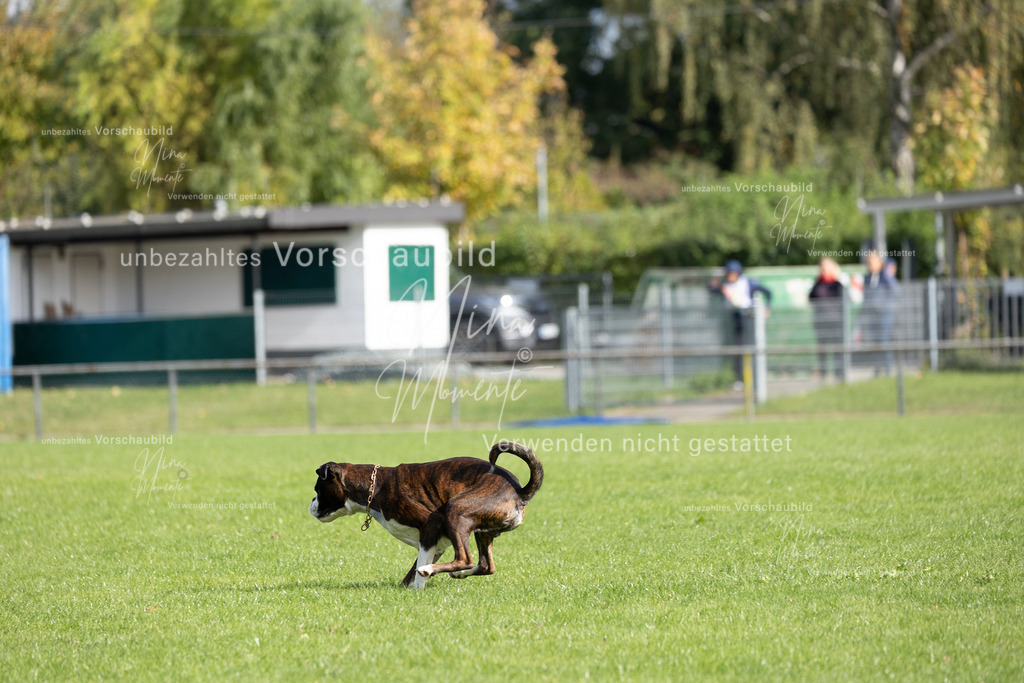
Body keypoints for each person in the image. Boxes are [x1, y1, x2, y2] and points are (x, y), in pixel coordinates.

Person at [709, 259, 772, 389]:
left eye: (733, 273)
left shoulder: (748, 283)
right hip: (733, 320)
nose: (731, 276)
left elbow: (768, 292)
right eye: (729, 273)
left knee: (750, 349)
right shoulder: (726, 286)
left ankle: (755, 379)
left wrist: (767, 307)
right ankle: (740, 380)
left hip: (748, 319)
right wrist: (715, 284)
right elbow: (711, 289)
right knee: (738, 351)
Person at [859, 251, 900, 375]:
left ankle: (887, 369)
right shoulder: (867, 278)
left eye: (872, 261)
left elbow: (895, 291)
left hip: (885, 313)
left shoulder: (885, 275)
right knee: (874, 341)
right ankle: (877, 368)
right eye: (868, 261)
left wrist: (882, 303)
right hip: (872, 314)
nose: (870, 264)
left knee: (884, 340)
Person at [808, 257, 845, 381]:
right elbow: (811, 298)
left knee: (837, 349)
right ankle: (823, 375)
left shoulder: (837, 285)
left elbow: (846, 299)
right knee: (822, 349)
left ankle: (839, 375)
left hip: (835, 322)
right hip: (821, 322)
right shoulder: (817, 284)